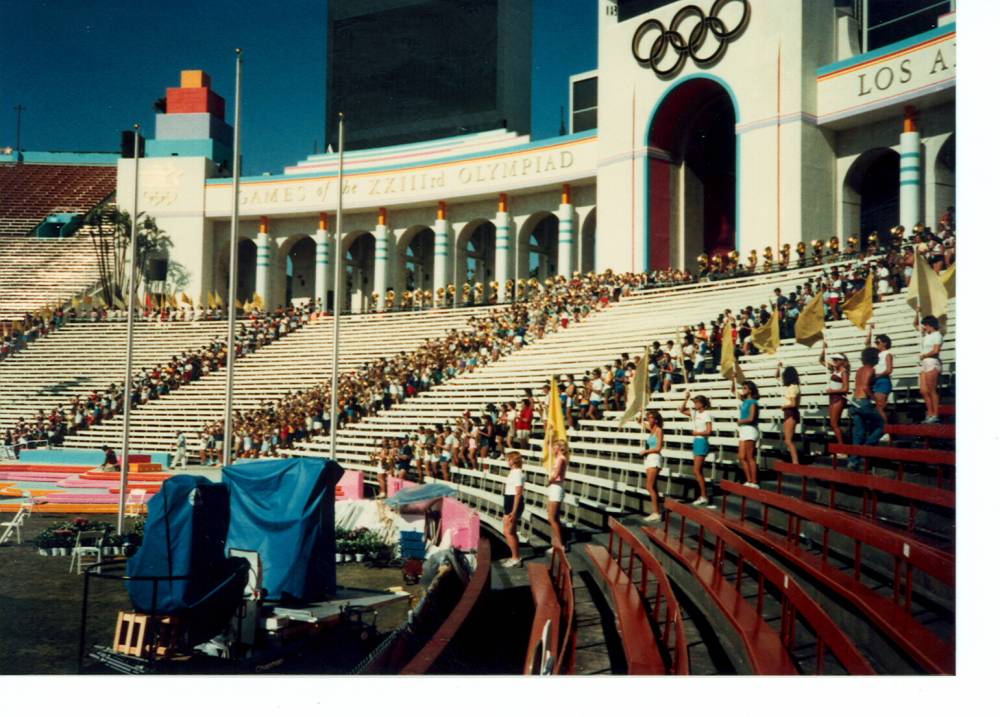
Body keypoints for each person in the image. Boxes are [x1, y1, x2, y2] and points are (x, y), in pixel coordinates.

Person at [846, 347, 885, 471]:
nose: (879, 359)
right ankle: (867, 446)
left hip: (854, 401)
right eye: (878, 356)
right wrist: (875, 399)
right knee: (882, 425)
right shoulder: (871, 370)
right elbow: (866, 388)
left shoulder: (859, 370)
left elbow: (858, 386)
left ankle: (853, 461)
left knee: (858, 433)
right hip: (864, 402)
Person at [679, 392, 713, 506]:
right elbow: (681, 410)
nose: (695, 404)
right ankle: (703, 495)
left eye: (697, 402)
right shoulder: (695, 413)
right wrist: (686, 398)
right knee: (697, 470)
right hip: (697, 441)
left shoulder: (707, 414)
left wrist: (697, 432)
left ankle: (704, 496)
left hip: (702, 441)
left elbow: (709, 431)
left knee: (697, 470)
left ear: (702, 404)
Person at [820, 343, 850, 446]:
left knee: (834, 423)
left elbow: (846, 388)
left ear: (842, 361)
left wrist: (832, 391)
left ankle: (842, 445)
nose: (835, 361)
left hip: (839, 398)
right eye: (834, 360)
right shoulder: (834, 370)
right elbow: (821, 360)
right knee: (833, 424)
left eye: (837, 360)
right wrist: (824, 349)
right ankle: (841, 444)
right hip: (833, 398)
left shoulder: (844, 372)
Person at [866, 324, 894, 427]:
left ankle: (885, 430)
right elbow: (867, 344)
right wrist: (869, 331)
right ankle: (882, 428)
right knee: (878, 407)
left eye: (878, 342)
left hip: (883, 380)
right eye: (876, 342)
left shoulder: (887, 354)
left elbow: (889, 369)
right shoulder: (876, 354)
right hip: (876, 381)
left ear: (885, 343)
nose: (876, 344)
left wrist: (878, 375)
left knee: (880, 407)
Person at [916, 314, 943, 423]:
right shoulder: (927, 335)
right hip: (925, 363)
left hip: (932, 361)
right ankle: (930, 413)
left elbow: (936, 350)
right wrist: (916, 312)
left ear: (930, 325)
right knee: (924, 391)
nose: (924, 327)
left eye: (925, 325)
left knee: (932, 390)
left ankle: (935, 415)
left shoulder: (937, 335)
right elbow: (915, 324)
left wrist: (925, 355)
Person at [501, 451, 526, 568]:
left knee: (508, 532)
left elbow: (518, 493)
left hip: (513, 503)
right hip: (509, 500)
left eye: (508, 459)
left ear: (513, 460)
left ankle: (516, 558)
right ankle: (515, 556)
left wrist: (514, 511)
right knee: (510, 531)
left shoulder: (517, 473)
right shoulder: (513, 472)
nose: (507, 461)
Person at [639, 410, 664, 521]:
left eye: (650, 418)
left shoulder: (659, 431)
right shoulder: (651, 430)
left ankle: (656, 512)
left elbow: (658, 448)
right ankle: (657, 511)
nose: (649, 420)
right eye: (648, 417)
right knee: (653, 486)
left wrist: (646, 451)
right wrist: (640, 413)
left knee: (649, 486)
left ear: (656, 420)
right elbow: (640, 422)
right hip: (649, 458)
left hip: (654, 458)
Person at [734, 380, 760, 487]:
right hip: (743, 430)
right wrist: (733, 379)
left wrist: (740, 421)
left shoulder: (753, 402)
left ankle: (754, 481)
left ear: (750, 390)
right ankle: (749, 480)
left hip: (750, 429)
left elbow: (751, 418)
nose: (742, 390)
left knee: (750, 456)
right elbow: (733, 391)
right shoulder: (744, 401)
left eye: (745, 388)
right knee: (741, 456)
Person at [546, 439, 568, 554]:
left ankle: (560, 544)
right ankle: (557, 543)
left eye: (555, 447)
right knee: (553, 517)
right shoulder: (559, 458)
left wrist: (549, 480)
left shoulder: (561, 459)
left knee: (552, 517)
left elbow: (556, 474)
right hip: (555, 487)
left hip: (556, 487)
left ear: (559, 448)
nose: (553, 449)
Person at [776, 362, 801, 464]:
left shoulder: (793, 387)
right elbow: (777, 377)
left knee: (788, 440)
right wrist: (778, 367)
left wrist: (783, 406)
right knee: (788, 439)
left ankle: (795, 461)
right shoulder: (792, 386)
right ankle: (794, 460)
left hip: (791, 412)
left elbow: (793, 404)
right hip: (789, 413)